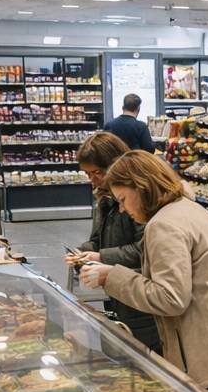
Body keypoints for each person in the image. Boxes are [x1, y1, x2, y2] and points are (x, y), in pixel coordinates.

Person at [78, 151, 208, 392]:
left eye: (123, 199)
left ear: (142, 187)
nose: (123, 209)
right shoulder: (186, 207)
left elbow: (171, 298)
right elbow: (180, 277)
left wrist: (112, 278)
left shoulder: (164, 225)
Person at [64, 132, 161, 352]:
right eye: (87, 174)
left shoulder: (137, 199)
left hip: (142, 300)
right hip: (118, 292)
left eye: (97, 172)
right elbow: (98, 238)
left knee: (146, 358)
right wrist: (83, 252)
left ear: (115, 164)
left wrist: (101, 257)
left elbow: (144, 250)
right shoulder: (103, 196)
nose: (92, 180)